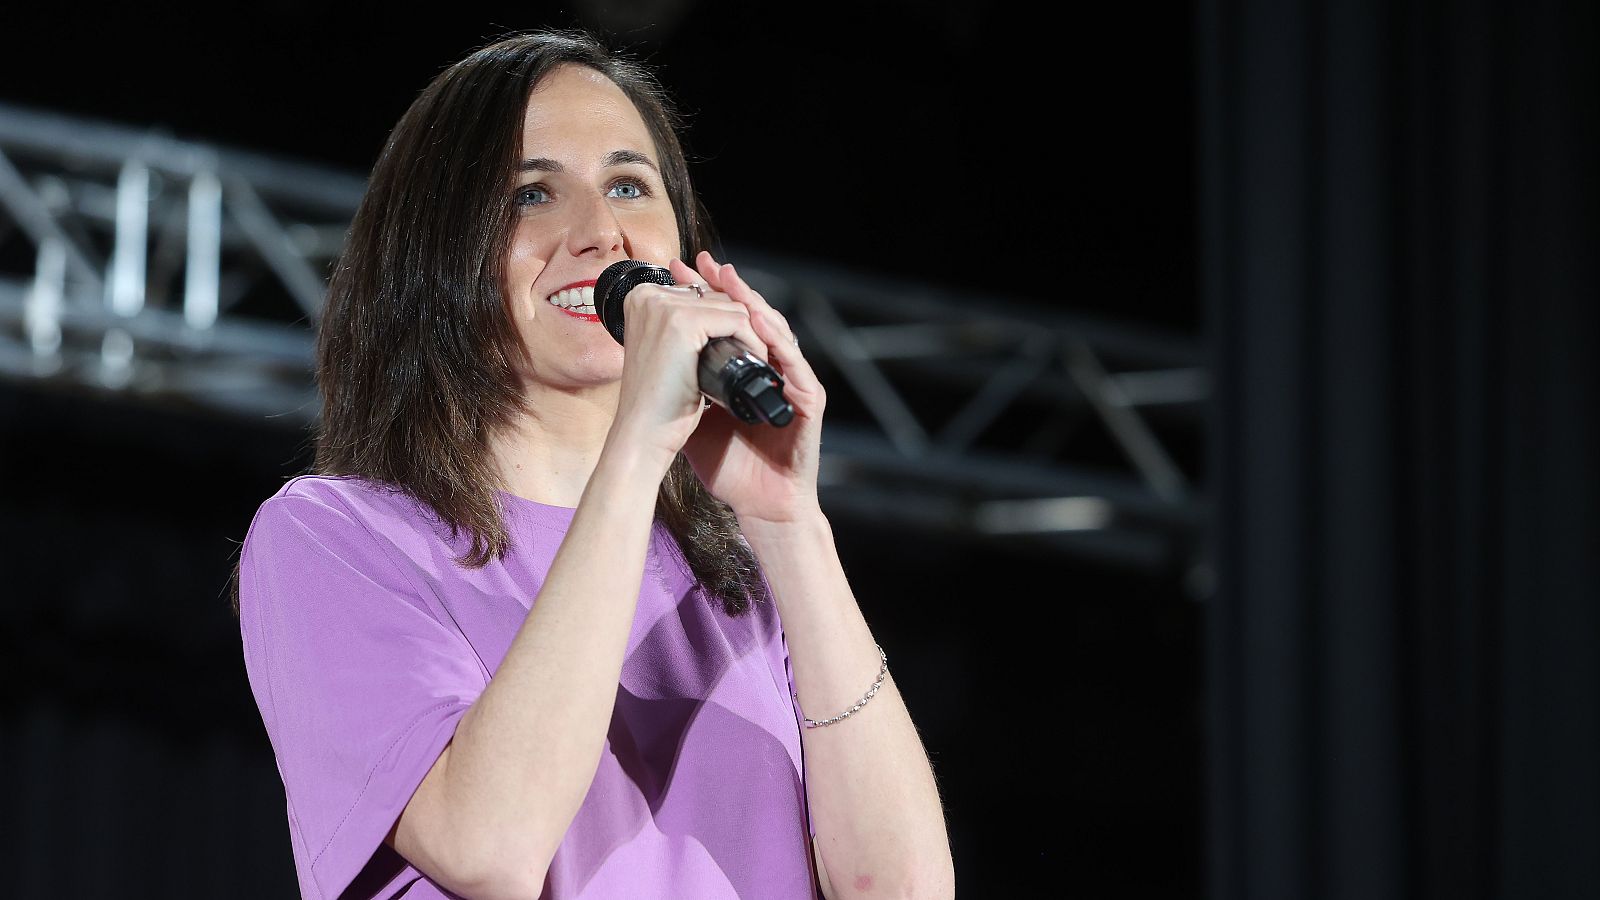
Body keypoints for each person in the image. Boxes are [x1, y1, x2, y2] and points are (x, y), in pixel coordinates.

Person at [231, 29, 954, 900]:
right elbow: (489, 845)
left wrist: (788, 523)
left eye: (628, 185)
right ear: (433, 252)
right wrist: (637, 451)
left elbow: (906, 888)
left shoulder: (741, 580)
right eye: (532, 193)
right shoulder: (338, 539)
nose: (600, 231)